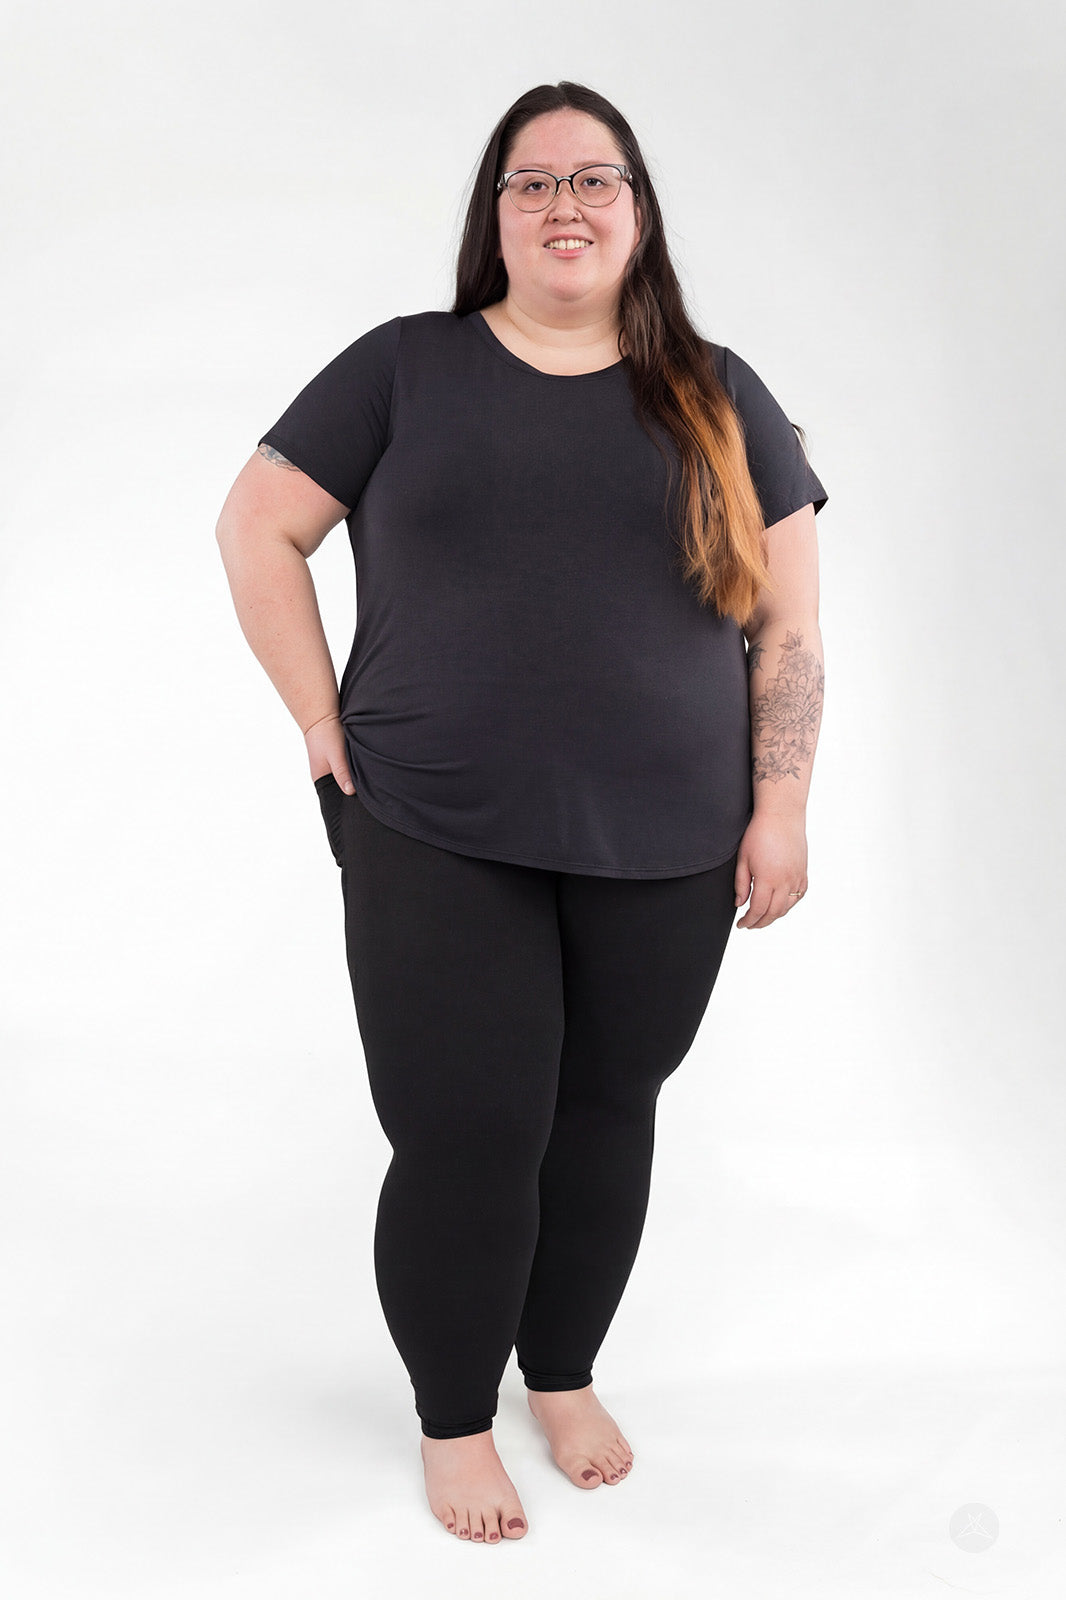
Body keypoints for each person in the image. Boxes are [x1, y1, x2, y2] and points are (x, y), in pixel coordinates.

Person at [215, 80, 828, 1547]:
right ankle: (449, 1417)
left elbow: (790, 628)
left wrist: (782, 804)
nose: (564, 203)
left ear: (637, 213)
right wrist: (318, 723)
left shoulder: (717, 390)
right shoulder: (403, 370)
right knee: (469, 1127)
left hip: (670, 835)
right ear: (494, 216)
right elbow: (257, 525)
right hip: (431, 817)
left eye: (594, 179)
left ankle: (558, 1375)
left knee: (606, 1112)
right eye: (531, 181)